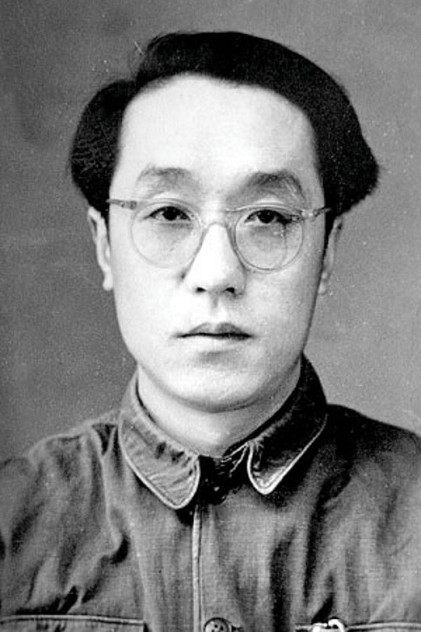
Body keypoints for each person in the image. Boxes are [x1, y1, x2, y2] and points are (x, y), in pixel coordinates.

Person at [1, 31, 421, 632]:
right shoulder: (14, 523)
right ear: (104, 245)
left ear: (327, 253)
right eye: (170, 213)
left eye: (268, 217)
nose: (217, 273)